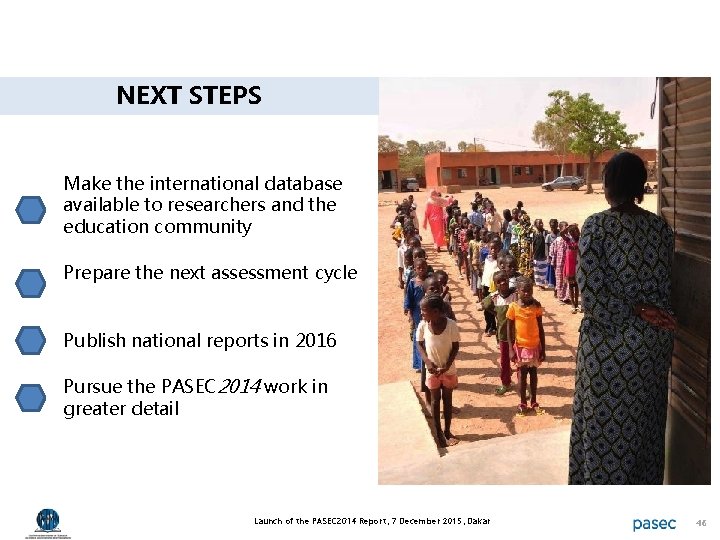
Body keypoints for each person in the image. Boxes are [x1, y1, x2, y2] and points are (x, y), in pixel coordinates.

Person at [569, 151, 676, 485]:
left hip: (609, 353)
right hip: (653, 349)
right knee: (645, 430)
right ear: (640, 185)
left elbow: (592, 297)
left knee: (604, 436)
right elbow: (666, 288)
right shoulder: (660, 228)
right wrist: (645, 311)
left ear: (609, 185)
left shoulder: (597, 226)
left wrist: (634, 308)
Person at [416, 294, 460, 447]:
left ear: (435, 311)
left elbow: (455, 347)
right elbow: (419, 344)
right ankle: (439, 434)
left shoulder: (451, 325)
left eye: (424, 310)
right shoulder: (423, 325)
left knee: (447, 400)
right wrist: (428, 363)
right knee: (435, 401)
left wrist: (447, 366)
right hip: (432, 371)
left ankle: (447, 431)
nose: (421, 313)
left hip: (448, 370)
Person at [507, 276, 546, 416]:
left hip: (534, 346)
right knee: (522, 376)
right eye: (524, 290)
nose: (527, 293)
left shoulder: (536, 306)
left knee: (534, 375)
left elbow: (541, 328)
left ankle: (534, 401)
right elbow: (509, 329)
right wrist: (511, 349)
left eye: (530, 290)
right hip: (521, 347)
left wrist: (543, 349)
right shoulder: (513, 307)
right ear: (518, 291)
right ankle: (523, 402)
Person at [482, 270, 518, 395]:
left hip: (518, 334)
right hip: (503, 335)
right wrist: (496, 313)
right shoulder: (495, 297)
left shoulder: (515, 295)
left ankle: (522, 383)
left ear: (508, 279)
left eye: (504, 279)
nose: (503, 283)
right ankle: (505, 383)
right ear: (495, 284)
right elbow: (485, 304)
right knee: (504, 361)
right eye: (499, 281)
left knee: (519, 361)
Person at [404, 257, 429, 372]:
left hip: (429, 314)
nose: (421, 269)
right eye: (419, 268)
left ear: (427, 267)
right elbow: (408, 298)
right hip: (416, 314)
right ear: (415, 269)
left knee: (429, 337)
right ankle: (419, 364)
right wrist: (409, 313)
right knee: (418, 337)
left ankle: (430, 362)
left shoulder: (430, 281)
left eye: (423, 267)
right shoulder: (412, 283)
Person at [549, 221, 570, 303]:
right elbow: (552, 251)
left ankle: (566, 297)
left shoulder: (569, 238)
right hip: (559, 263)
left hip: (568, 263)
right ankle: (560, 296)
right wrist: (553, 261)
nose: (567, 228)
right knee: (559, 280)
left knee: (567, 279)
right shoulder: (557, 240)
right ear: (561, 228)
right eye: (565, 226)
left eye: (567, 226)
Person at [564, 224, 580, 313]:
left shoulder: (580, 240)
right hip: (569, 266)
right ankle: (573, 304)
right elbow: (561, 233)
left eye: (576, 231)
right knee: (570, 286)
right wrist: (568, 227)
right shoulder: (568, 240)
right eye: (572, 232)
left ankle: (577, 303)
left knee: (577, 286)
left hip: (577, 265)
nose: (574, 233)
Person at [531, 218, 548, 288]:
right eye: (539, 223)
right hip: (536, 255)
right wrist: (531, 255)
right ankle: (539, 285)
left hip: (544, 255)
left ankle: (543, 284)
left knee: (543, 271)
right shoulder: (533, 234)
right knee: (537, 271)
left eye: (542, 223)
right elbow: (532, 245)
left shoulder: (545, 233)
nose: (541, 224)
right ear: (535, 225)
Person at [544, 218, 559, 292]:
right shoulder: (548, 236)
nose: (553, 228)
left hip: (559, 257)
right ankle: (555, 289)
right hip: (552, 258)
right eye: (552, 226)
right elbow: (547, 248)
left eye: (554, 226)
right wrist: (548, 257)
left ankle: (558, 289)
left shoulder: (560, 234)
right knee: (552, 274)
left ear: (557, 225)